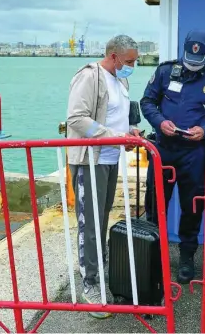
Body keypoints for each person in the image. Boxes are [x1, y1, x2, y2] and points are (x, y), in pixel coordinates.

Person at [140, 30, 205, 284]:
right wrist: (159, 121)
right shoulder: (165, 71)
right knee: (156, 204)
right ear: (184, 50)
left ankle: (187, 257)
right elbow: (148, 102)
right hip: (163, 149)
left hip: (194, 153)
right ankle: (154, 253)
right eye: (190, 57)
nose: (193, 62)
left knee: (193, 205)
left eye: (198, 58)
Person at [66, 34, 141, 318]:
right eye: (130, 61)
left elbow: (118, 116)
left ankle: (100, 272)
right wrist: (113, 136)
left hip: (110, 160)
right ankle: (91, 287)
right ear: (113, 57)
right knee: (90, 224)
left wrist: (130, 130)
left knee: (101, 220)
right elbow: (76, 118)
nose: (133, 65)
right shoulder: (90, 77)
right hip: (90, 161)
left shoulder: (121, 81)